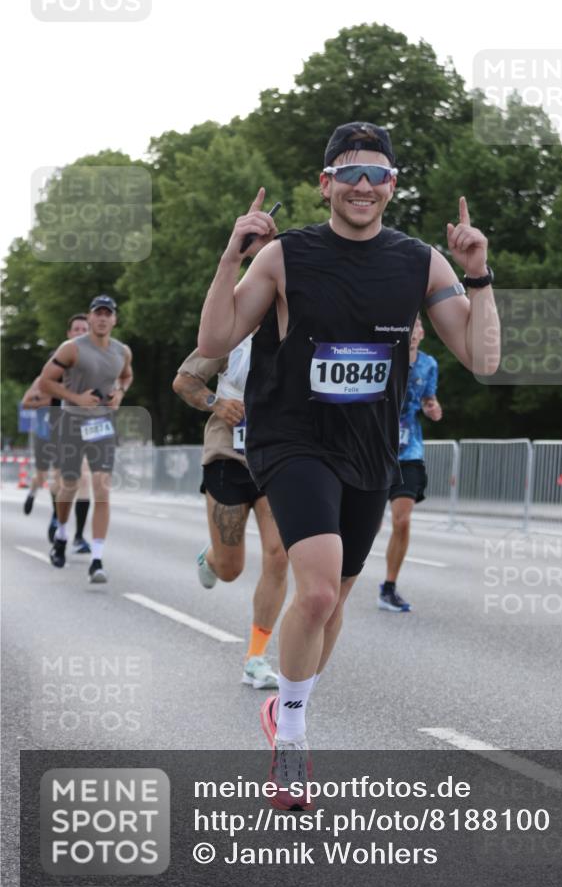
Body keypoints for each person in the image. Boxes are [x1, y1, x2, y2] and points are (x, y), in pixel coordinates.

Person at [198, 121, 500, 807]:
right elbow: (214, 339)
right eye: (349, 173)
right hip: (291, 437)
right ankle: (292, 736)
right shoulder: (286, 256)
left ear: (392, 186)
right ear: (325, 183)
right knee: (316, 593)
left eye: (377, 174)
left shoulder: (421, 262)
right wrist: (230, 259)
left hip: (370, 448)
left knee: (333, 601)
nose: (363, 186)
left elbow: (482, 359)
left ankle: (286, 706)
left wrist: (478, 273)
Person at [172, 336, 289, 689]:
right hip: (228, 457)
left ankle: (256, 658)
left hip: (280, 458)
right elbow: (184, 381)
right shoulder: (233, 335)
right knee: (230, 568)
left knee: (279, 555)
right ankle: (211, 557)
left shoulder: (303, 330)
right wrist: (216, 403)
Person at [37, 295, 133, 583]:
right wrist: (76, 398)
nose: (102, 318)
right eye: (97, 313)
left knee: (102, 488)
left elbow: (126, 376)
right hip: (72, 423)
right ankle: (61, 534)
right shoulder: (72, 349)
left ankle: (97, 560)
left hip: (102, 425)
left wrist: (120, 393)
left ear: (114, 319)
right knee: (69, 486)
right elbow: (45, 381)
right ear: (90, 318)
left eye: (107, 313)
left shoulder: (122, 351)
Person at [378, 314, 442, 612]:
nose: (413, 332)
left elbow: (429, 398)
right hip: (375, 450)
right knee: (363, 524)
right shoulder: (384, 358)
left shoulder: (429, 365)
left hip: (409, 451)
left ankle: (389, 587)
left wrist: (432, 408)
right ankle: (340, 574)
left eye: (417, 327)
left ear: (422, 333)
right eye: (408, 327)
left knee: (401, 521)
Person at [21, 314, 93, 552]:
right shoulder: (56, 367)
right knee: (56, 477)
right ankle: (55, 515)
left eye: (84, 329)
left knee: (84, 478)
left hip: (83, 428)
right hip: (55, 429)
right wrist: (56, 396)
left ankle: (79, 537)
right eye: (76, 329)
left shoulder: (94, 365)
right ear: (69, 334)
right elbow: (28, 401)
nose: (80, 332)